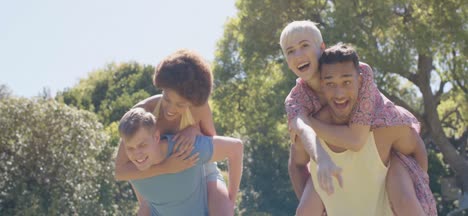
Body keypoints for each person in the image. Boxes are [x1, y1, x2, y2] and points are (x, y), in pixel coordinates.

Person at [280, 21, 436, 215]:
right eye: (290, 51)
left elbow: (355, 139)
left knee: (404, 199)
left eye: (304, 45)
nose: (298, 55)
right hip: (339, 155)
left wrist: (307, 121)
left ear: (322, 48)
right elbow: (301, 137)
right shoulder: (296, 99)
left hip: (384, 143)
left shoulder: (357, 70)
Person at [114, 49, 235, 215]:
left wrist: (193, 130)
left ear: (192, 102)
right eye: (167, 99)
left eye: (180, 105)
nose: (170, 109)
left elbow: (211, 146)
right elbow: (120, 170)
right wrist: (167, 167)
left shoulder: (199, 109)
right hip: (154, 176)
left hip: (200, 172)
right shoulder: (141, 115)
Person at [117, 107, 243, 216]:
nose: (137, 153)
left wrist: (231, 201)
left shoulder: (183, 149)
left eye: (142, 145)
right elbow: (146, 199)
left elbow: (236, 148)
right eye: (130, 148)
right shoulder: (131, 167)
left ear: (156, 137)